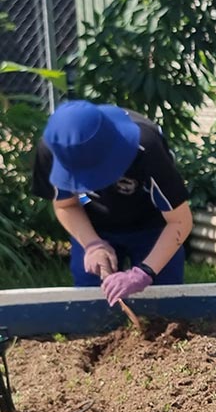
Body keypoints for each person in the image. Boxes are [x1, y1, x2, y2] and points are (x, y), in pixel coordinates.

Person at [31, 100, 192, 305]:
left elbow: (180, 221)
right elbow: (66, 205)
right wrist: (93, 244)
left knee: (164, 306)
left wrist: (144, 272)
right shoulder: (53, 150)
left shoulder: (146, 146)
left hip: (155, 225)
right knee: (92, 306)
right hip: (92, 225)